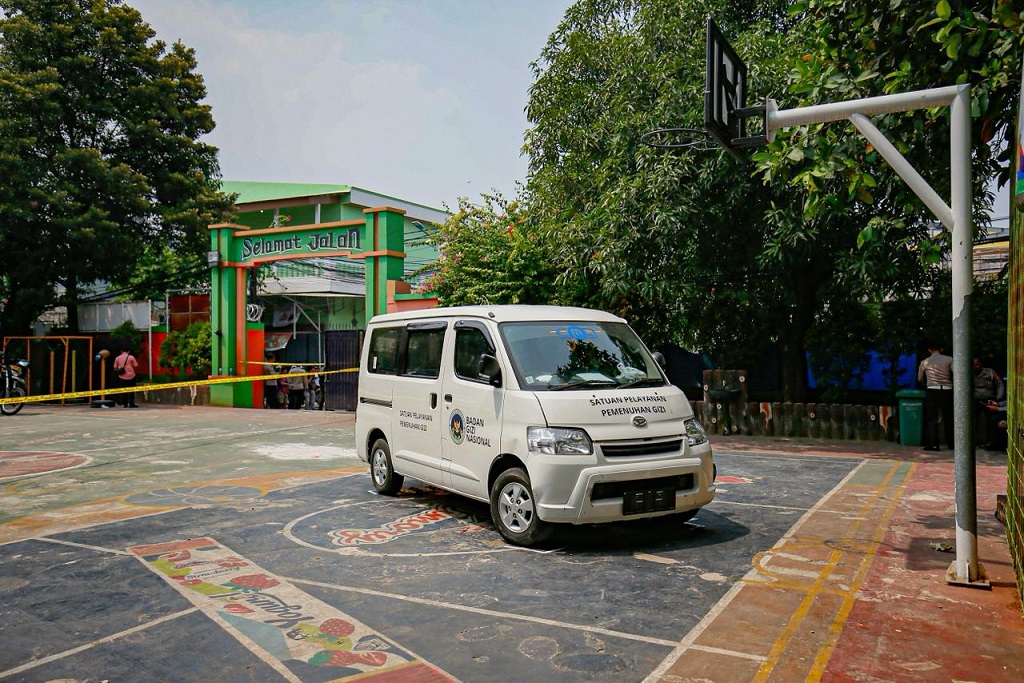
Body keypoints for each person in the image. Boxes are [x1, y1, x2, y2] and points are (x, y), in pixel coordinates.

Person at [918, 344, 953, 451]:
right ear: (941, 349)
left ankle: (933, 444)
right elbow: (955, 373)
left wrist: (926, 384)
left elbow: (920, 378)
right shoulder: (950, 359)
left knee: (932, 418)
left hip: (932, 389)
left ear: (929, 349)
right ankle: (952, 444)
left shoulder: (925, 362)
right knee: (949, 417)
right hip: (947, 389)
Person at [972, 357, 1005, 448]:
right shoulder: (967, 372)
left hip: (988, 400)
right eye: (973, 365)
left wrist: (998, 398)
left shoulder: (990, 372)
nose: (975, 367)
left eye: (976, 364)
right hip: (973, 400)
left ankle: (985, 441)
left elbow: (999, 384)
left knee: (986, 421)